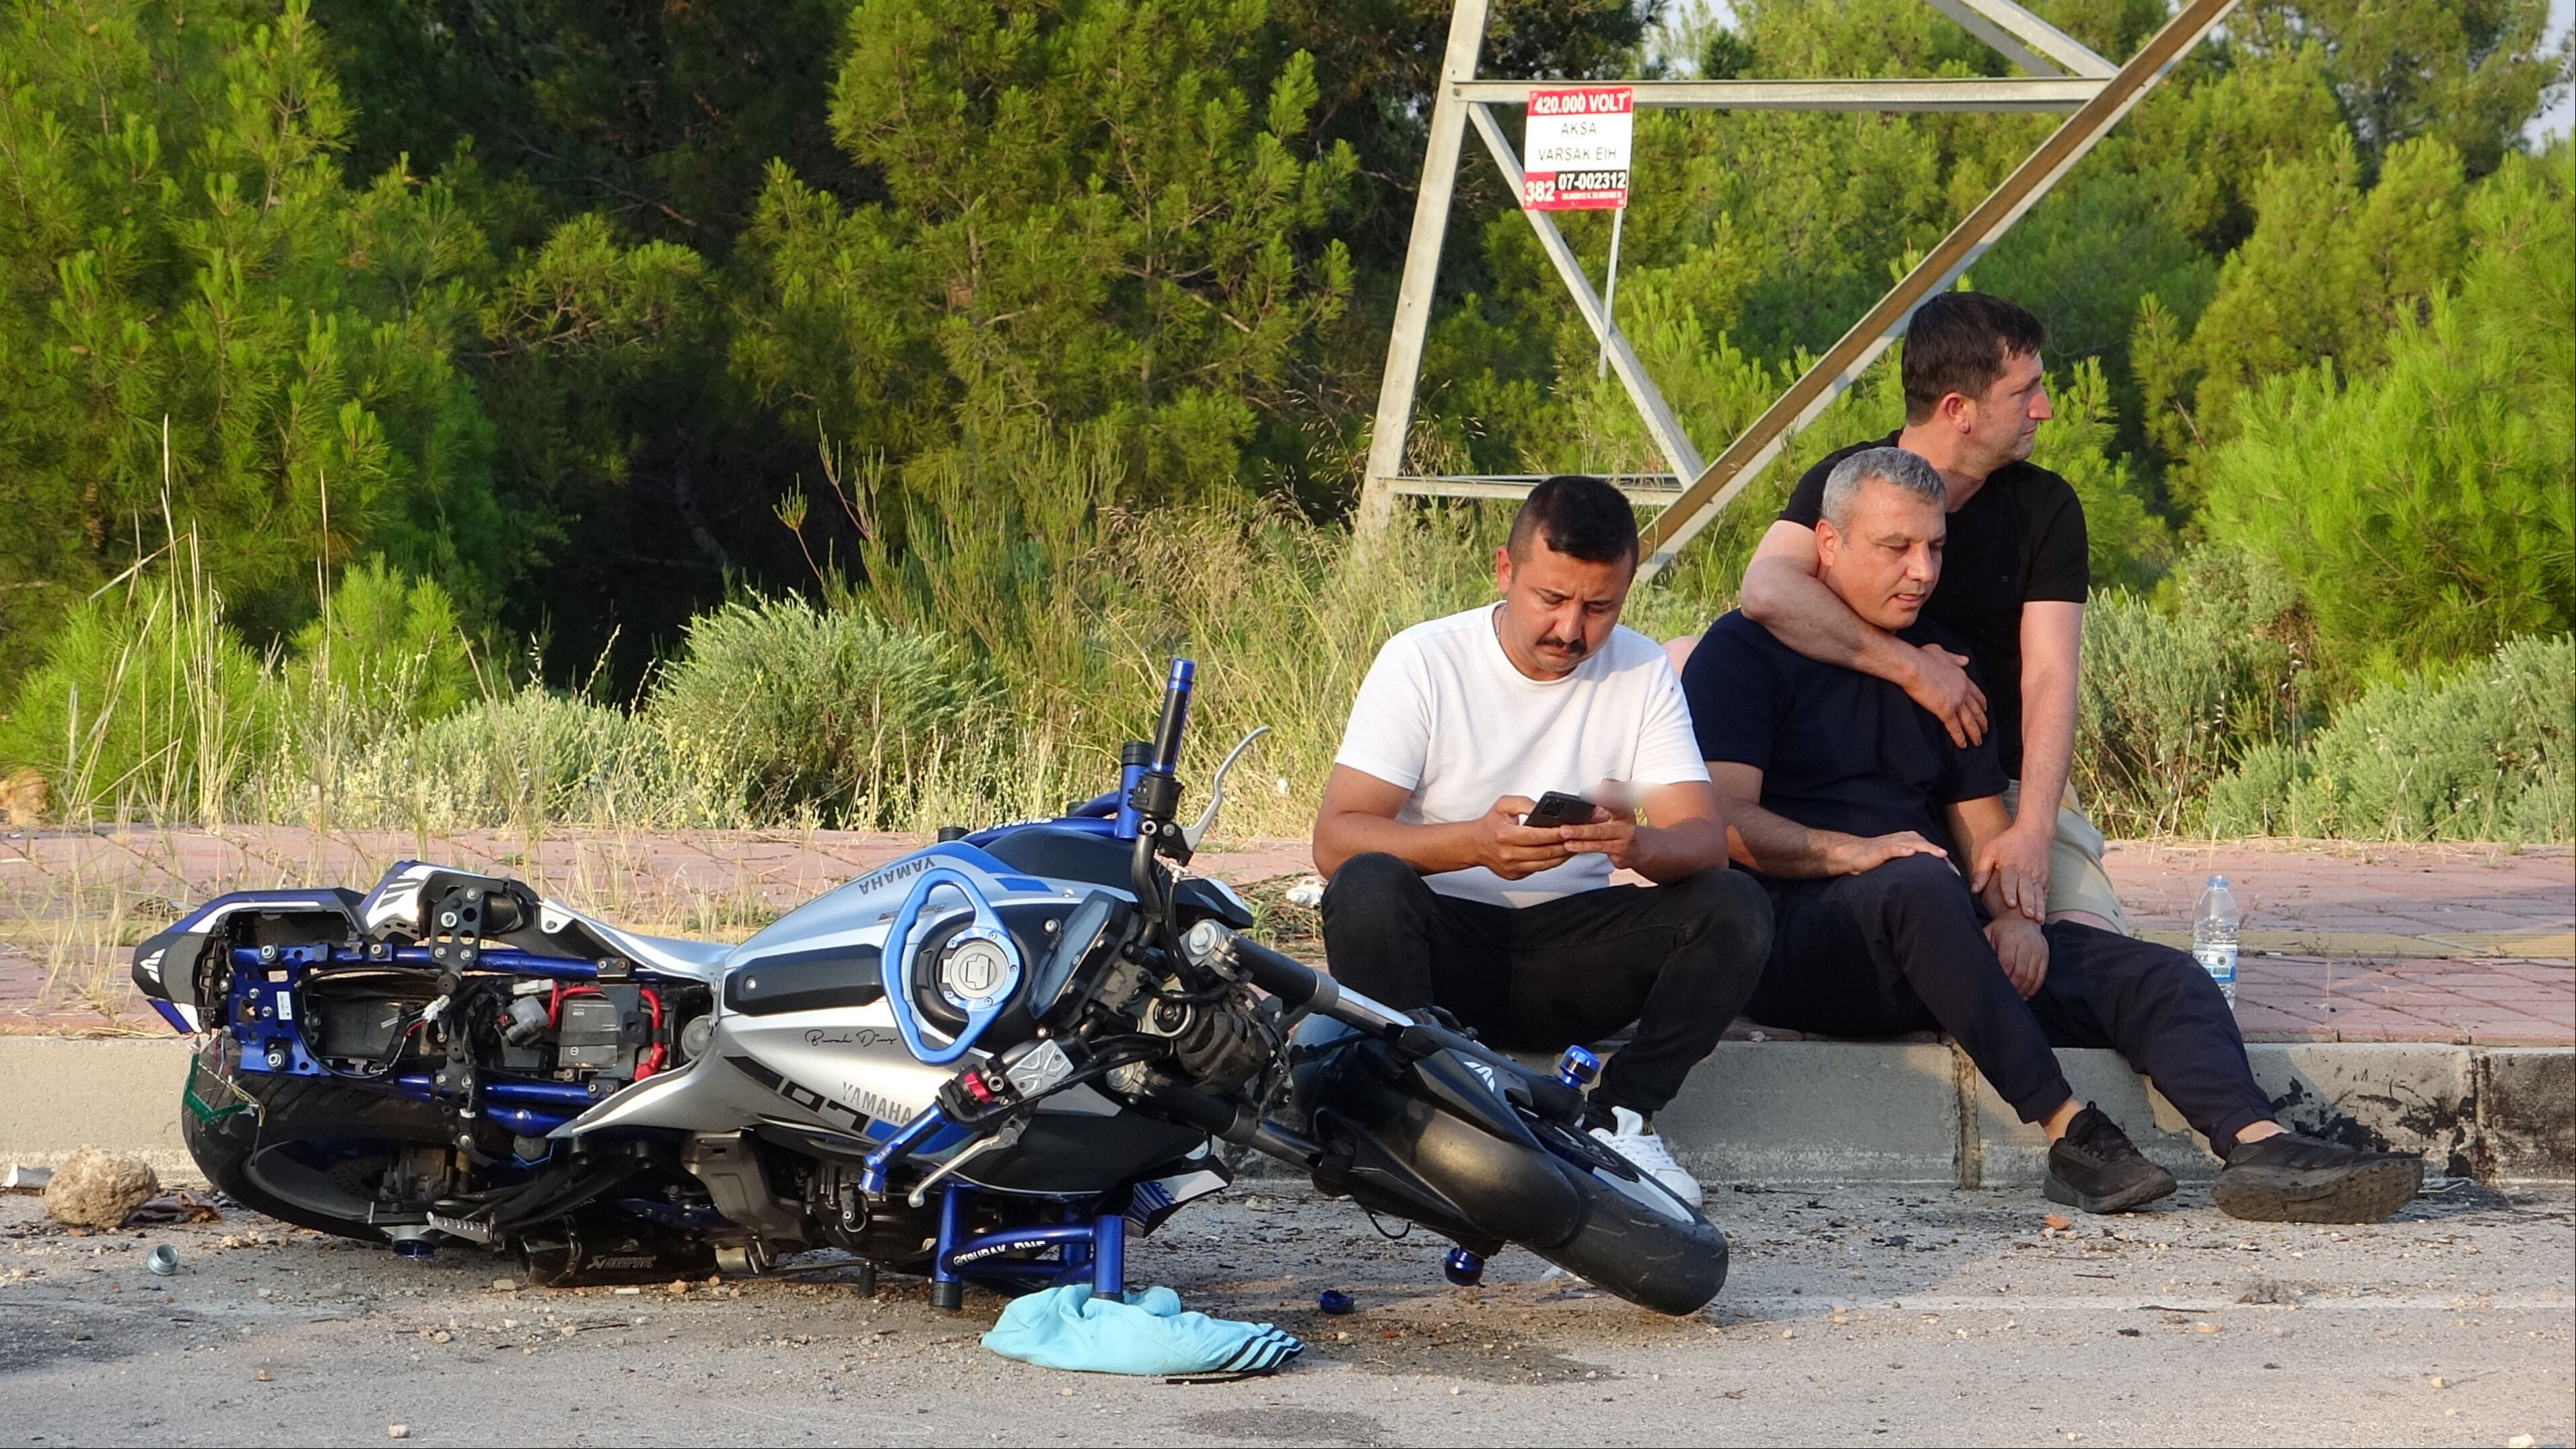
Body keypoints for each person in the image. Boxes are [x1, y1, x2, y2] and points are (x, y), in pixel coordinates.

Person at [1680, 447, 2421, 1222]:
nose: (1921, 570)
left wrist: (2011, 917)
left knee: (2154, 975)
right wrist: (1853, 854)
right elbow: (1726, 823)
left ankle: (2258, 1144)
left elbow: (1979, 832)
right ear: (1827, 543)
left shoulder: (1943, 672)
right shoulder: (1740, 652)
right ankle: (2072, 1132)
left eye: (1934, 546)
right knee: (1915, 883)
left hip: (1934, 929)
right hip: (1803, 938)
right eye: (1894, 547)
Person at [1312, 474, 1773, 1206]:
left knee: (1734, 903)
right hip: (1440, 950)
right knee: (1365, 883)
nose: (1571, 630)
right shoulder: (1423, 659)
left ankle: (1617, 1116)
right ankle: (1418, 1112)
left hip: (1572, 956)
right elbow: (1335, 836)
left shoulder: (1643, 666)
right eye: (1551, 600)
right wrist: (1472, 843)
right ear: (1504, 570)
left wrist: (1632, 845)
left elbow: (1701, 840)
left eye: (1599, 607)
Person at [1731, 291, 2122, 934]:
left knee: (2085, 947)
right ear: (1957, 411)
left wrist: (2031, 830)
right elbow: (1766, 589)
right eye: (2024, 392)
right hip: (1864, 783)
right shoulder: (1850, 481)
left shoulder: (2045, 507)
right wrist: (1914, 670)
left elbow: (2051, 674)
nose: (2043, 410)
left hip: (2001, 787)